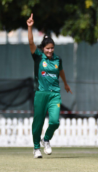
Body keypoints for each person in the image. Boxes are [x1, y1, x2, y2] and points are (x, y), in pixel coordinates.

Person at [27, 13, 72, 158]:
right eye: (47, 48)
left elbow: (61, 71)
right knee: (38, 122)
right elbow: (30, 42)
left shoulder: (58, 59)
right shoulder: (38, 57)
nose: (50, 51)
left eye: (52, 48)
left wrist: (65, 84)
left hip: (55, 94)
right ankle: (36, 148)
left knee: (54, 121)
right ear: (43, 48)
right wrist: (30, 27)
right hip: (41, 93)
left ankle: (46, 139)